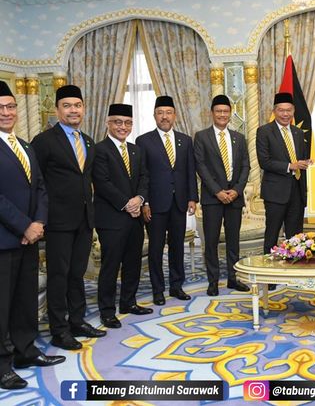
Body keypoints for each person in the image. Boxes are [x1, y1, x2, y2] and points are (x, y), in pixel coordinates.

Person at [0, 81, 65, 390]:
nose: (7, 112)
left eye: (11, 106)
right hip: (4, 239)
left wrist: (38, 222)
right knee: (1, 304)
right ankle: (2, 366)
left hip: (28, 238)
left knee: (25, 299)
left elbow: (40, 187)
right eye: (0, 108)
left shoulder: (25, 146)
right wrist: (24, 225)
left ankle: (25, 351)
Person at [31, 85, 106, 351]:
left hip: (84, 220)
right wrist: (38, 218)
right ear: (57, 110)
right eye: (67, 106)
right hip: (58, 222)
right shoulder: (43, 141)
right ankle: (59, 330)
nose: (73, 110)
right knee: (59, 276)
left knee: (77, 274)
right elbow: (36, 182)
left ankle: (77, 321)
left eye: (77, 105)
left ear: (83, 108)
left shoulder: (88, 141)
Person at [136, 96, 198, 306]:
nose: (164, 116)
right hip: (155, 204)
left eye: (168, 112)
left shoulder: (185, 140)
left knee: (177, 246)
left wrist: (192, 197)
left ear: (175, 115)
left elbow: (190, 171)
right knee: (155, 248)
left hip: (179, 202)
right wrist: (144, 202)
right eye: (160, 112)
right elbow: (142, 174)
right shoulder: (144, 141)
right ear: (154, 115)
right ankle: (158, 289)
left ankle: (176, 286)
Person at [93, 104, 152, 329]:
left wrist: (139, 198)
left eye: (127, 123)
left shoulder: (136, 150)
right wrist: (127, 204)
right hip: (111, 218)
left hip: (135, 217)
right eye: (118, 122)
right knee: (111, 265)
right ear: (108, 123)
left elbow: (145, 178)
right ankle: (107, 311)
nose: (123, 127)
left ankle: (128, 302)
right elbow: (102, 183)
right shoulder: (99, 150)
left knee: (132, 263)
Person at [194, 95, 250, 296]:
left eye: (226, 111)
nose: (222, 115)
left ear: (230, 113)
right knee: (211, 241)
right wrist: (217, 191)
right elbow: (201, 166)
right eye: (219, 111)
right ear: (212, 113)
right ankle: (213, 281)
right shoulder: (201, 137)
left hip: (234, 198)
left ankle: (233, 279)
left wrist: (236, 190)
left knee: (233, 241)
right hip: (212, 199)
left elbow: (245, 166)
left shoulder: (239, 138)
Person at [256, 92, 310, 258]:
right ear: (274, 111)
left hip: (297, 192)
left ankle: (294, 268)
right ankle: (269, 269)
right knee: (272, 234)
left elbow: (300, 160)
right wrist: (290, 166)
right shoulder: (264, 131)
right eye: (281, 110)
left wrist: (307, 163)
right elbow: (264, 162)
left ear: (293, 111)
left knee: (296, 237)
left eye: (289, 110)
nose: (285, 114)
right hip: (275, 193)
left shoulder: (298, 133)